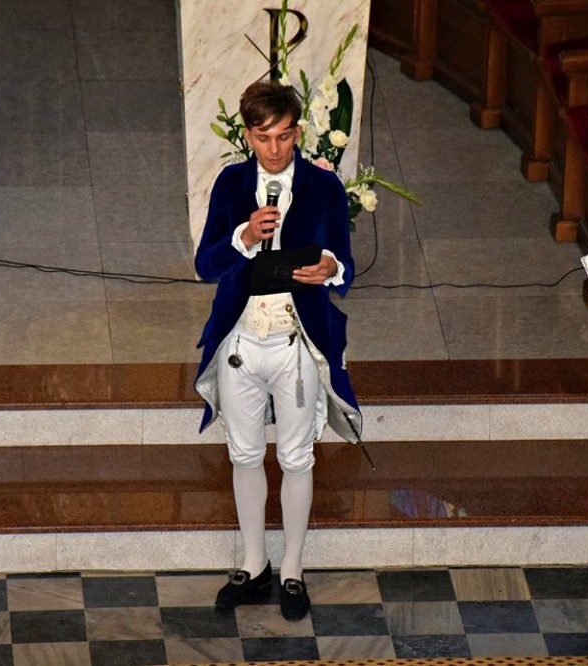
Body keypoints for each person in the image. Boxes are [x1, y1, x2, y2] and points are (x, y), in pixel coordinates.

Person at [193, 81, 363, 621]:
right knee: (244, 454)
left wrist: (330, 268)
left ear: (298, 133)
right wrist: (243, 237)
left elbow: (346, 266)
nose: (274, 148)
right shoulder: (230, 183)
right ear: (248, 136)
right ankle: (254, 563)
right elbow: (205, 265)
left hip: (296, 343)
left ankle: (292, 569)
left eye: (285, 136)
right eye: (264, 138)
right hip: (241, 344)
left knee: (294, 457)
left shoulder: (323, 186)